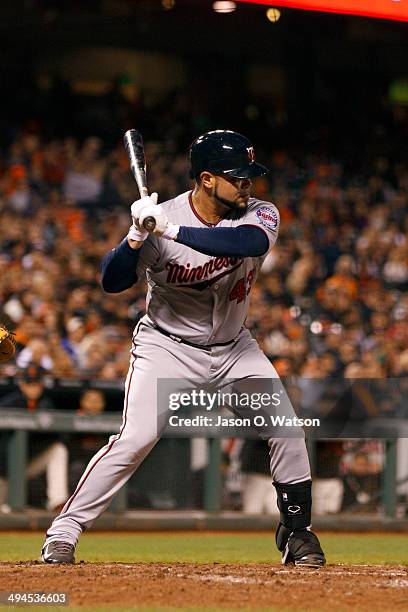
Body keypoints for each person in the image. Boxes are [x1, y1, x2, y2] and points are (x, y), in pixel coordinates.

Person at [41, 130, 325, 567]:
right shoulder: (158, 218)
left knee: (286, 428)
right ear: (207, 179)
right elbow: (112, 281)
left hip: (235, 349)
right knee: (135, 439)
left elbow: (246, 243)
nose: (248, 185)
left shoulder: (258, 213)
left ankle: (298, 533)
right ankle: (63, 532)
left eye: (250, 177)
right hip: (166, 348)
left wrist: (170, 230)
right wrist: (134, 237)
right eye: (238, 177)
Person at [0, 364, 68, 511]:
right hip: (3, 470)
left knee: (58, 450)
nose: (33, 388)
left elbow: (58, 437)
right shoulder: (8, 404)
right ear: (22, 385)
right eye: (29, 384)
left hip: (27, 464)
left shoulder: (47, 405)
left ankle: (57, 501)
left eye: (36, 384)